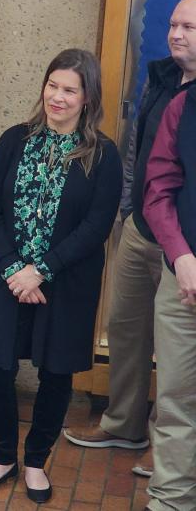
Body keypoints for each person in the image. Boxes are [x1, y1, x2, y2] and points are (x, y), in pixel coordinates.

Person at [0, 49, 121, 504]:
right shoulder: (14, 139)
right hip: (11, 276)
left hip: (67, 282)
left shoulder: (103, 154)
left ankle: (36, 461)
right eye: (52, 86)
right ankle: (2, 456)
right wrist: (16, 269)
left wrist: (43, 270)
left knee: (55, 374)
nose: (58, 97)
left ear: (87, 97)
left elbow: (97, 226)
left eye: (69, 90)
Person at [63, 0, 196, 478]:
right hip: (141, 227)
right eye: (174, 24)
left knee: (176, 347)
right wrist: (126, 208)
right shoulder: (161, 76)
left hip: (183, 246)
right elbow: (139, 148)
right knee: (124, 327)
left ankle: (168, 449)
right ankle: (123, 422)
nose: (176, 34)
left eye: (189, 28)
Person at [142, 36, 196, 511]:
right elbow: (159, 185)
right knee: (177, 399)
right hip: (183, 282)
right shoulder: (183, 106)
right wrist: (180, 256)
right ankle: (171, 501)